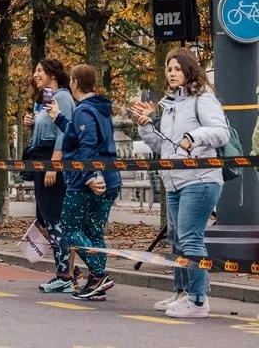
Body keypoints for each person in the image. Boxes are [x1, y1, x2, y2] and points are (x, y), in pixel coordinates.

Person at [130, 47, 230, 319]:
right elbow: (164, 145)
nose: (172, 73)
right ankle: (182, 292)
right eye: (168, 69)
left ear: (189, 70)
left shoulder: (203, 99)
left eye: (177, 69)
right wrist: (145, 126)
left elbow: (220, 132)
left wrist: (193, 137)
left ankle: (198, 300)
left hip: (200, 179)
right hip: (174, 181)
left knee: (190, 238)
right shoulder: (171, 103)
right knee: (177, 240)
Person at [47, 63, 121, 302]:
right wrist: (58, 117)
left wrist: (89, 175)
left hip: (85, 181)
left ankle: (99, 275)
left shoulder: (84, 110)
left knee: (70, 227)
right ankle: (96, 281)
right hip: (110, 178)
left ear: (74, 83)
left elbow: (87, 144)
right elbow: (78, 135)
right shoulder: (100, 108)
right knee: (92, 229)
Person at [22, 59, 77, 292]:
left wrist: (54, 164)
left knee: (54, 218)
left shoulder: (62, 96)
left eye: (40, 70)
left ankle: (65, 275)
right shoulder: (45, 96)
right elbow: (48, 127)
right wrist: (32, 125)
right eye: (35, 70)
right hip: (40, 159)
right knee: (44, 219)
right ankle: (69, 271)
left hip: (51, 160)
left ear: (52, 74)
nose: (35, 74)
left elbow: (65, 130)